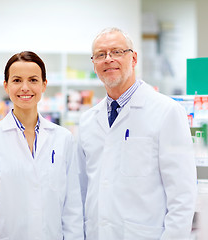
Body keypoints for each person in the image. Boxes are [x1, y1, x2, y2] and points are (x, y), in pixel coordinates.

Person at [77, 27, 197, 240]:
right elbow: (84, 190)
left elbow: (182, 195)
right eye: (100, 55)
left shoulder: (167, 112)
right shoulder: (88, 121)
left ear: (133, 58)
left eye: (117, 51)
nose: (108, 59)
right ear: (94, 64)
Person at [0, 51, 84, 240]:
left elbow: (72, 207)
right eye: (16, 80)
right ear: (6, 86)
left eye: (33, 80)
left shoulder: (63, 139)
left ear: (44, 85)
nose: (25, 87)